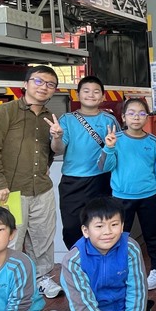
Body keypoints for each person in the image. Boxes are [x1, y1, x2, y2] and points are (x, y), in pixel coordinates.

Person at [0, 64, 62, 298]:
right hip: (9, 190)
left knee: (43, 238)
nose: (44, 87)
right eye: (38, 81)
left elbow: (52, 151)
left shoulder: (49, 118)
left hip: (41, 189)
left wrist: (57, 137)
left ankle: (42, 278)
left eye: (50, 84)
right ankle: (8, 284)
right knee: (9, 240)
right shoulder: (4, 112)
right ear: (25, 84)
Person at [101, 97, 156, 289]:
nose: (136, 117)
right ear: (123, 117)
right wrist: (109, 148)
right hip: (121, 198)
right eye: (131, 113)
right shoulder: (116, 139)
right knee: (120, 236)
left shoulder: (152, 141)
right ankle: (119, 271)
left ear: (147, 117)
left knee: (152, 236)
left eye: (141, 113)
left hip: (149, 196)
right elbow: (105, 166)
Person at [49, 75, 117, 249]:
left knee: (102, 226)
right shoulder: (66, 120)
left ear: (103, 96)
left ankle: (100, 258)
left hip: (102, 180)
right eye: (86, 91)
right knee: (72, 227)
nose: (91, 95)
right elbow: (58, 149)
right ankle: (77, 258)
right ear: (78, 95)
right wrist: (57, 137)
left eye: (96, 92)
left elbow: (117, 150)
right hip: (73, 182)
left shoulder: (109, 120)